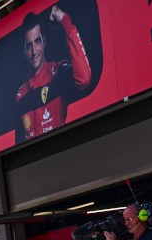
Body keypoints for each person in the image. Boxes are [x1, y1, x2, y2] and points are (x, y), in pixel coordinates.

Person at [15, 5, 94, 142]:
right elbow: (18, 142)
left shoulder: (58, 72)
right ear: (23, 50)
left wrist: (63, 19)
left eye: (37, 41)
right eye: (29, 45)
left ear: (44, 41)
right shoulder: (20, 95)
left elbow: (84, 79)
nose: (34, 51)